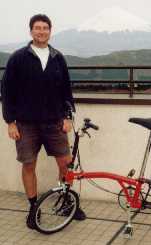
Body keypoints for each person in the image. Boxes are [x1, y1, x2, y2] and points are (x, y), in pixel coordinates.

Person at [1, 14, 86, 229]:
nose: (41, 31)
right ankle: (33, 208)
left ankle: (67, 202)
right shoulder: (18, 58)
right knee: (29, 164)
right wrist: (10, 122)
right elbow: (7, 91)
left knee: (66, 163)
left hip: (54, 122)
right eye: (37, 28)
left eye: (45, 28)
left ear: (50, 31)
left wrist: (68, 116)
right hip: (25, 123)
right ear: (31, 31)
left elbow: (66, 89)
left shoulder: (58, 57)